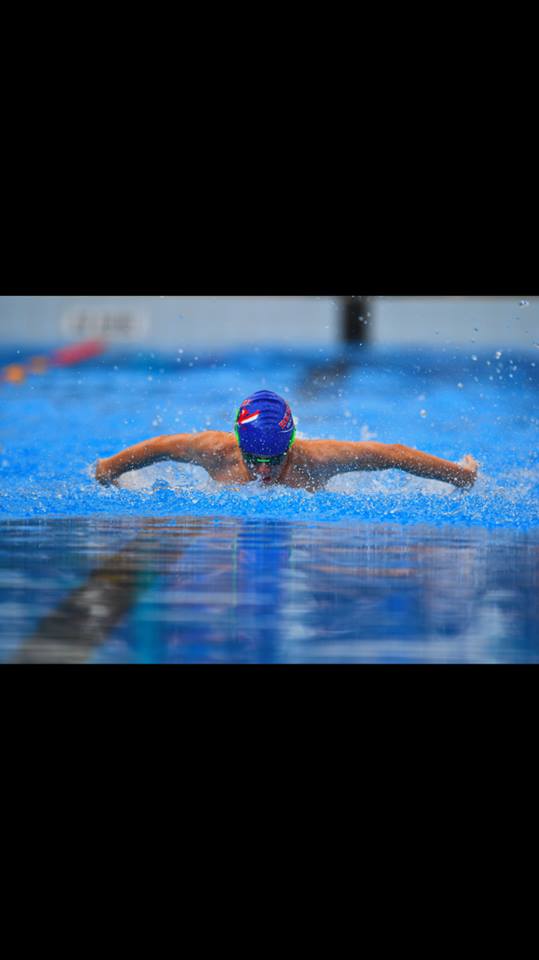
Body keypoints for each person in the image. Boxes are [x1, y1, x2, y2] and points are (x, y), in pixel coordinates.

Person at [95, 389, 479, 492]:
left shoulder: (316, 460)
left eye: (275, 459)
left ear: (291, 444)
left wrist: (460, 475)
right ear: (238, 443)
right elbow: (161, 446)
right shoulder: (216, 451)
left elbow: (393, 455)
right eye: (253, 459)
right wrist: (109, 468)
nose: (263, 471)